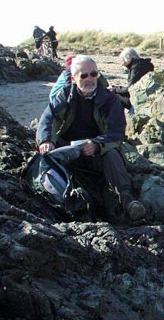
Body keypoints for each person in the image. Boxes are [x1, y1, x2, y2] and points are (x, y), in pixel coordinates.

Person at [36, 55, 146, 221]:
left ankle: (128, 201)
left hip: (98, 151)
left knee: (113, 154)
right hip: (68, 149)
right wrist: (46, 141)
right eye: (84, 75)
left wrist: (97, 144)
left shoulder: (110, 100)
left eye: (93, 74)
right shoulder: (64, 96)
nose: (90, 79)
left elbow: (117, 132)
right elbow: (49, 120)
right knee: (47, 156)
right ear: (73, 79)